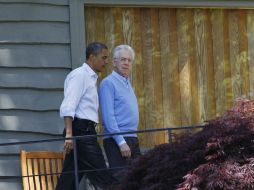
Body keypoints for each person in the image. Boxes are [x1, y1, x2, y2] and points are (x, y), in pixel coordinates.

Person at [56, 42, 117, 190]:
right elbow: (68, 106)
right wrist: (69, 134)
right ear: (91, 57)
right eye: (103, 58)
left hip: (84, 131)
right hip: (81, 132)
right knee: (103, 176)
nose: (106, 61)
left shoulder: (90, 78)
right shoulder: (80, 75)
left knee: (69, 179)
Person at [98, 44, 141, 180]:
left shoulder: (127, 83)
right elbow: (108, 117)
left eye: (129, 60)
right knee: (121, 181)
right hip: (117, 140)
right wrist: (121, 142)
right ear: (114, 62)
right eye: (123, 60)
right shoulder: (108, 83)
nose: (126, 63)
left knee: (138, 179)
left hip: (132, 138)